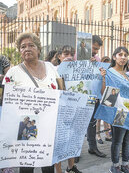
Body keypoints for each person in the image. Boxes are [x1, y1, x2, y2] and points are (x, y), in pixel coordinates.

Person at [3, 32, 60, 173]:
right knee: (27, 166)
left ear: (39, 49)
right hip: (27, 126)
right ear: (20, 52)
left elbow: (62, 91)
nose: (27, 49)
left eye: (31, 45)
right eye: (23, 47)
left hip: (49, 125)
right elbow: (4, 101)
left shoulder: (51, 68)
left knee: (48, 165)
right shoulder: (13, 73)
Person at [100, 46, 129, 173]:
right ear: (114, 57)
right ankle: (114, 166)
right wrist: (103, 78)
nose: (123, 57)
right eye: (120, 54)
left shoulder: (128, 74)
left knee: (128, 140)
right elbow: (105, 94)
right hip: (119, 112)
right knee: (118, 140)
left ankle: (125, 164)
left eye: (125, 55)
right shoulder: (109, 73)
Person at [54, 45, 82, 173]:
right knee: (59, 142)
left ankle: (71, 167)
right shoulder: (53, 70)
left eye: (71, 54)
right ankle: (58, 169)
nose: (69, 57)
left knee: (73, 138)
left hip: (74, 110)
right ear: (59, 56)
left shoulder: (78, 70)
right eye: (65, 54)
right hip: (58, 111)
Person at [87, 35, 106, 157]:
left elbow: (100, 76)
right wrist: (86, 63)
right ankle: (75, 152)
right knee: (79, 123)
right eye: (94, 48)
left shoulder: (98, 59)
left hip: (94, 95)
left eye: (97, 49)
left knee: (92, 122)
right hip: (80, 95)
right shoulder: (76, 56)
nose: (95, 51)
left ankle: (92, 147)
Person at [96, 56, 112, 144]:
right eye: (105, 62)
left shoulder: (110, 71)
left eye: (108, 62)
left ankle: (107, 135)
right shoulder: (99, 71)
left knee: (106, 117)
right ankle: (98, 136)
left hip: (108, 95)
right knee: (98, 118)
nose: (107, 64)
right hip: (100, 95)